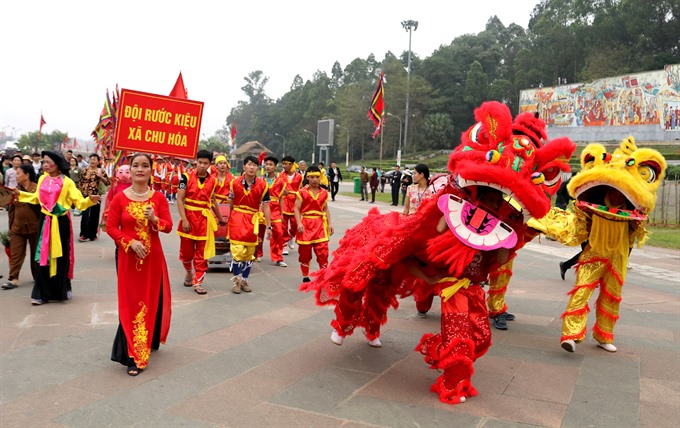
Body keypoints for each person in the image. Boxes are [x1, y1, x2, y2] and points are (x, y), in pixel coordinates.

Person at [106, 153, 173, 376]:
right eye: (136, 165)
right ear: (130, 170)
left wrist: (155, 220)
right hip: (127, 258)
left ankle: (141, 352)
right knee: (130, 302)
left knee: (149, 301)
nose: (140, 169)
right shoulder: (120, 198)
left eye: (145, 166)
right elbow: (111, 227)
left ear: (151, 170)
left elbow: (168, 227)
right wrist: (129, 241)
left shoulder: (159, 199)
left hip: (152, 260)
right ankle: (132, 352)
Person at [15, 151, 100, 305]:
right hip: (45, 220)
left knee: (60, 256)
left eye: (48, 162)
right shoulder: (42, 178)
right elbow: (36, 199)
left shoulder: (67, 182)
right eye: (43, 162)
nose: (45, 165)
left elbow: (79, 202)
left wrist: (90, 200)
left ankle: (60, 290)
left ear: (57, 163)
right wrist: (19, 194)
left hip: (60, 222)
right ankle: (41, 293)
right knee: (43, 255)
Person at [176, 150, 227, 295]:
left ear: (211, 164)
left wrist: (220, 218)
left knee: (202, 254)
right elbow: (180, 199)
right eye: (200, 162)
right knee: (186, 253)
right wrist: (184, 219)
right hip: (188, 219)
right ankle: (188, 272)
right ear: (196, 162)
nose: (202, 166)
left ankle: (198, 282)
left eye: (206, 163)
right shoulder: (185, 178)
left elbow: (213, 201)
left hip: (204, 221)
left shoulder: (214, 180)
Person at [228, 156, 272, 293]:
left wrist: (269, 226)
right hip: (237, 218)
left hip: (253, 220)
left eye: (254, 165)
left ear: (258, 168)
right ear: (244, 167)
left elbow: (266, 206)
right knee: (237, 251)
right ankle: (236, 280)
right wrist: (232, 217)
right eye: (249, 164)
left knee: (250, 253)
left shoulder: (263, 185)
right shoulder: (234, 183)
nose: (252, 167)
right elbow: (231, 203)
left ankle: (245, 280)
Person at [2, 165, 40, 290]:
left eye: (18, 173)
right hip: (17, 228)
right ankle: (13, 278)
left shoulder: (37, 189)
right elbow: (11, 212)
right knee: (16, 253)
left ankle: (38, 277)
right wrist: (10, 229)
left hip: (35, 227)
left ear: (27, 175)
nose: (16, 176)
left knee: (37, 254)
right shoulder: (14, 191)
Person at [294, 165, 333, 283]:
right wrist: (299, 223)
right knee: (305, 252)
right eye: (312, 177)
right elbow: (296, 208)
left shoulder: (324, 193)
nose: (315, 180)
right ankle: (305, 275)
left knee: (323, 251)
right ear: (308, 178)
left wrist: (330, 224)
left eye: (317, 177)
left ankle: (323, 276)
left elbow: (326, 209)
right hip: (306, 224)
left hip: (320, 224)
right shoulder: (302, 192)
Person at [256, 156, 286, 266]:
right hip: (262, 207)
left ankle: (278, 256)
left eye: (270, 164)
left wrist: (282, 213)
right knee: (260, 231)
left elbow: (282, 198)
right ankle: (258, 253)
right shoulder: (260, 180)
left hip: (275, 208)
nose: (268, 166)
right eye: (266, 164)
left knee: (278, 231)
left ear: (275, 166)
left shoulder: (280, 181)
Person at [78, 154, 110, 242]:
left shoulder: (101, 171)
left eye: (94, 159)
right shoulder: (84, 170)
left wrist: (100, 177)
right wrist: (79, 194)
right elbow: (80, 182)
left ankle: (92, 234)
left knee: (94, 215)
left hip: (96, 195)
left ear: (98, 161)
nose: (92, 161)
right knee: (85, 215)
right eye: (91, 159)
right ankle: (84, 234)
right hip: (85, 195)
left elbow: (107, 182)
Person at [280, 156, 302, 254]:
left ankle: (291, 236)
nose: (283, 166)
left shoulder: (299, 176)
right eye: (283, 164)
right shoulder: (280, 175)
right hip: (284, 201)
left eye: (286, 164)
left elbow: (302, 189)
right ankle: (284, 245)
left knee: (295, 224)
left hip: (295, 201)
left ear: (291, 164)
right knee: (283, 225)